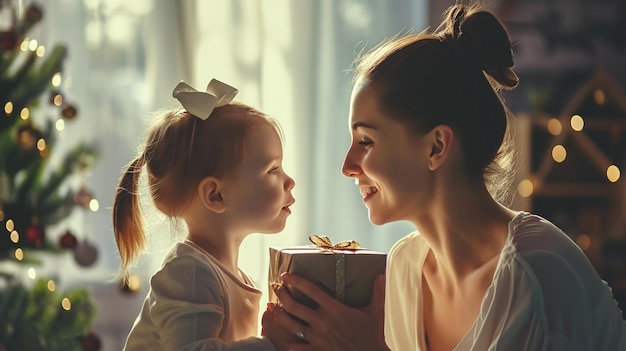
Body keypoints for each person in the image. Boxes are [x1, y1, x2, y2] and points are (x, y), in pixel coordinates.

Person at [263, 3, 626, 351]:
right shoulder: (404, 266)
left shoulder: (534, 272)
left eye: (366, 141)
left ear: (436, 147)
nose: (348, 166)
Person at [112, 79, 296, 350]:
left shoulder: (224, 274)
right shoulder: (191, 273)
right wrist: (270, 345)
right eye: (272, 169)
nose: (289, 181)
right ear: (215, 195)